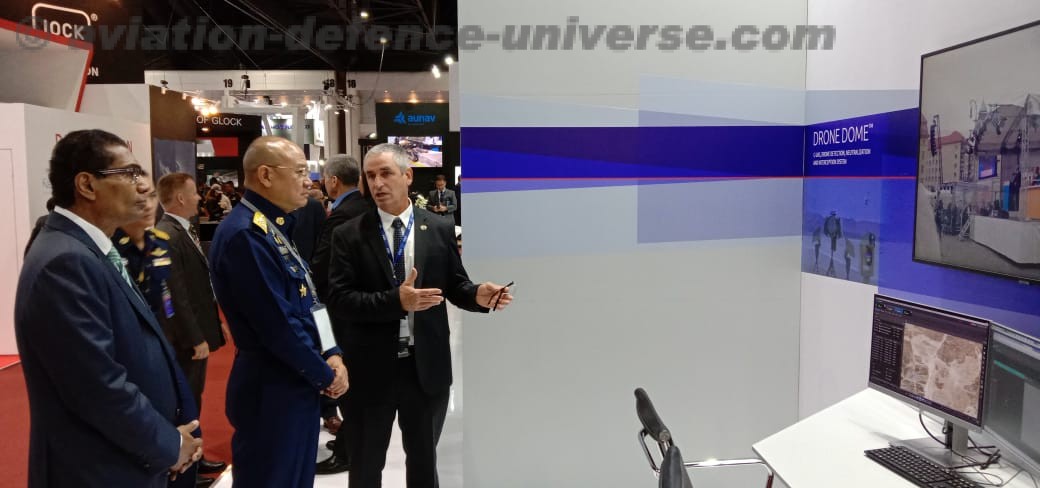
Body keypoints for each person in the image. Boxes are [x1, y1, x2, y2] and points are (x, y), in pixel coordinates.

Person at [14, 129, 202, 487]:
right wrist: (170, 445)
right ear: (87, 185)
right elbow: (97, 388)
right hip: (98, 468)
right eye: (129, 173)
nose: (143, 186)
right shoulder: (66, 262)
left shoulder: (90, 249)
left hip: (123, 459)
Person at [326, 143, 513, 488]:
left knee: (424, 463)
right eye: (370, 176)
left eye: (386, 173)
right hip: (370, 370)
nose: (377, 183)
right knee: (366, 464)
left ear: (408, 175)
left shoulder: (439, 227)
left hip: (425, 369)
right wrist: (395, 301)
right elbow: (339, 299)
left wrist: (477, 295)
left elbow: (453, 285)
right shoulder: (349, 234)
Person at [208, 136, 348, 488]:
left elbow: (310, 297)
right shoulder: (245, 235)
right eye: (299, 171)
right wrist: (325, 375)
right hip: (271, 387)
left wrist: (332, 351)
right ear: (266, 175)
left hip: (296, 381)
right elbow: (278, 325)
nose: (308, 182)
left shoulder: (276, 227)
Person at [156, 173, 229, 479]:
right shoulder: (168, 235)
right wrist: (194, 336)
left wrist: (214, 322)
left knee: (193, 397)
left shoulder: (181, 231)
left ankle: (195, 458)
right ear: (180, 198)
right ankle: (187, 466)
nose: (200, 198)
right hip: (185, 340)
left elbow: (198, 287)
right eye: (194, 193)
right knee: (185, 400)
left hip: (195, 331)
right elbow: (174, 295)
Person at [310, 154, 370, 475]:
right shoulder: (365, 208)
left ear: (333, 181)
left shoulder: (341, 216)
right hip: (359, 308)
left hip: (340, 312)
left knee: (350, 387)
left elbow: (321, 269)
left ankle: (348, 450)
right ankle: (349, 441)